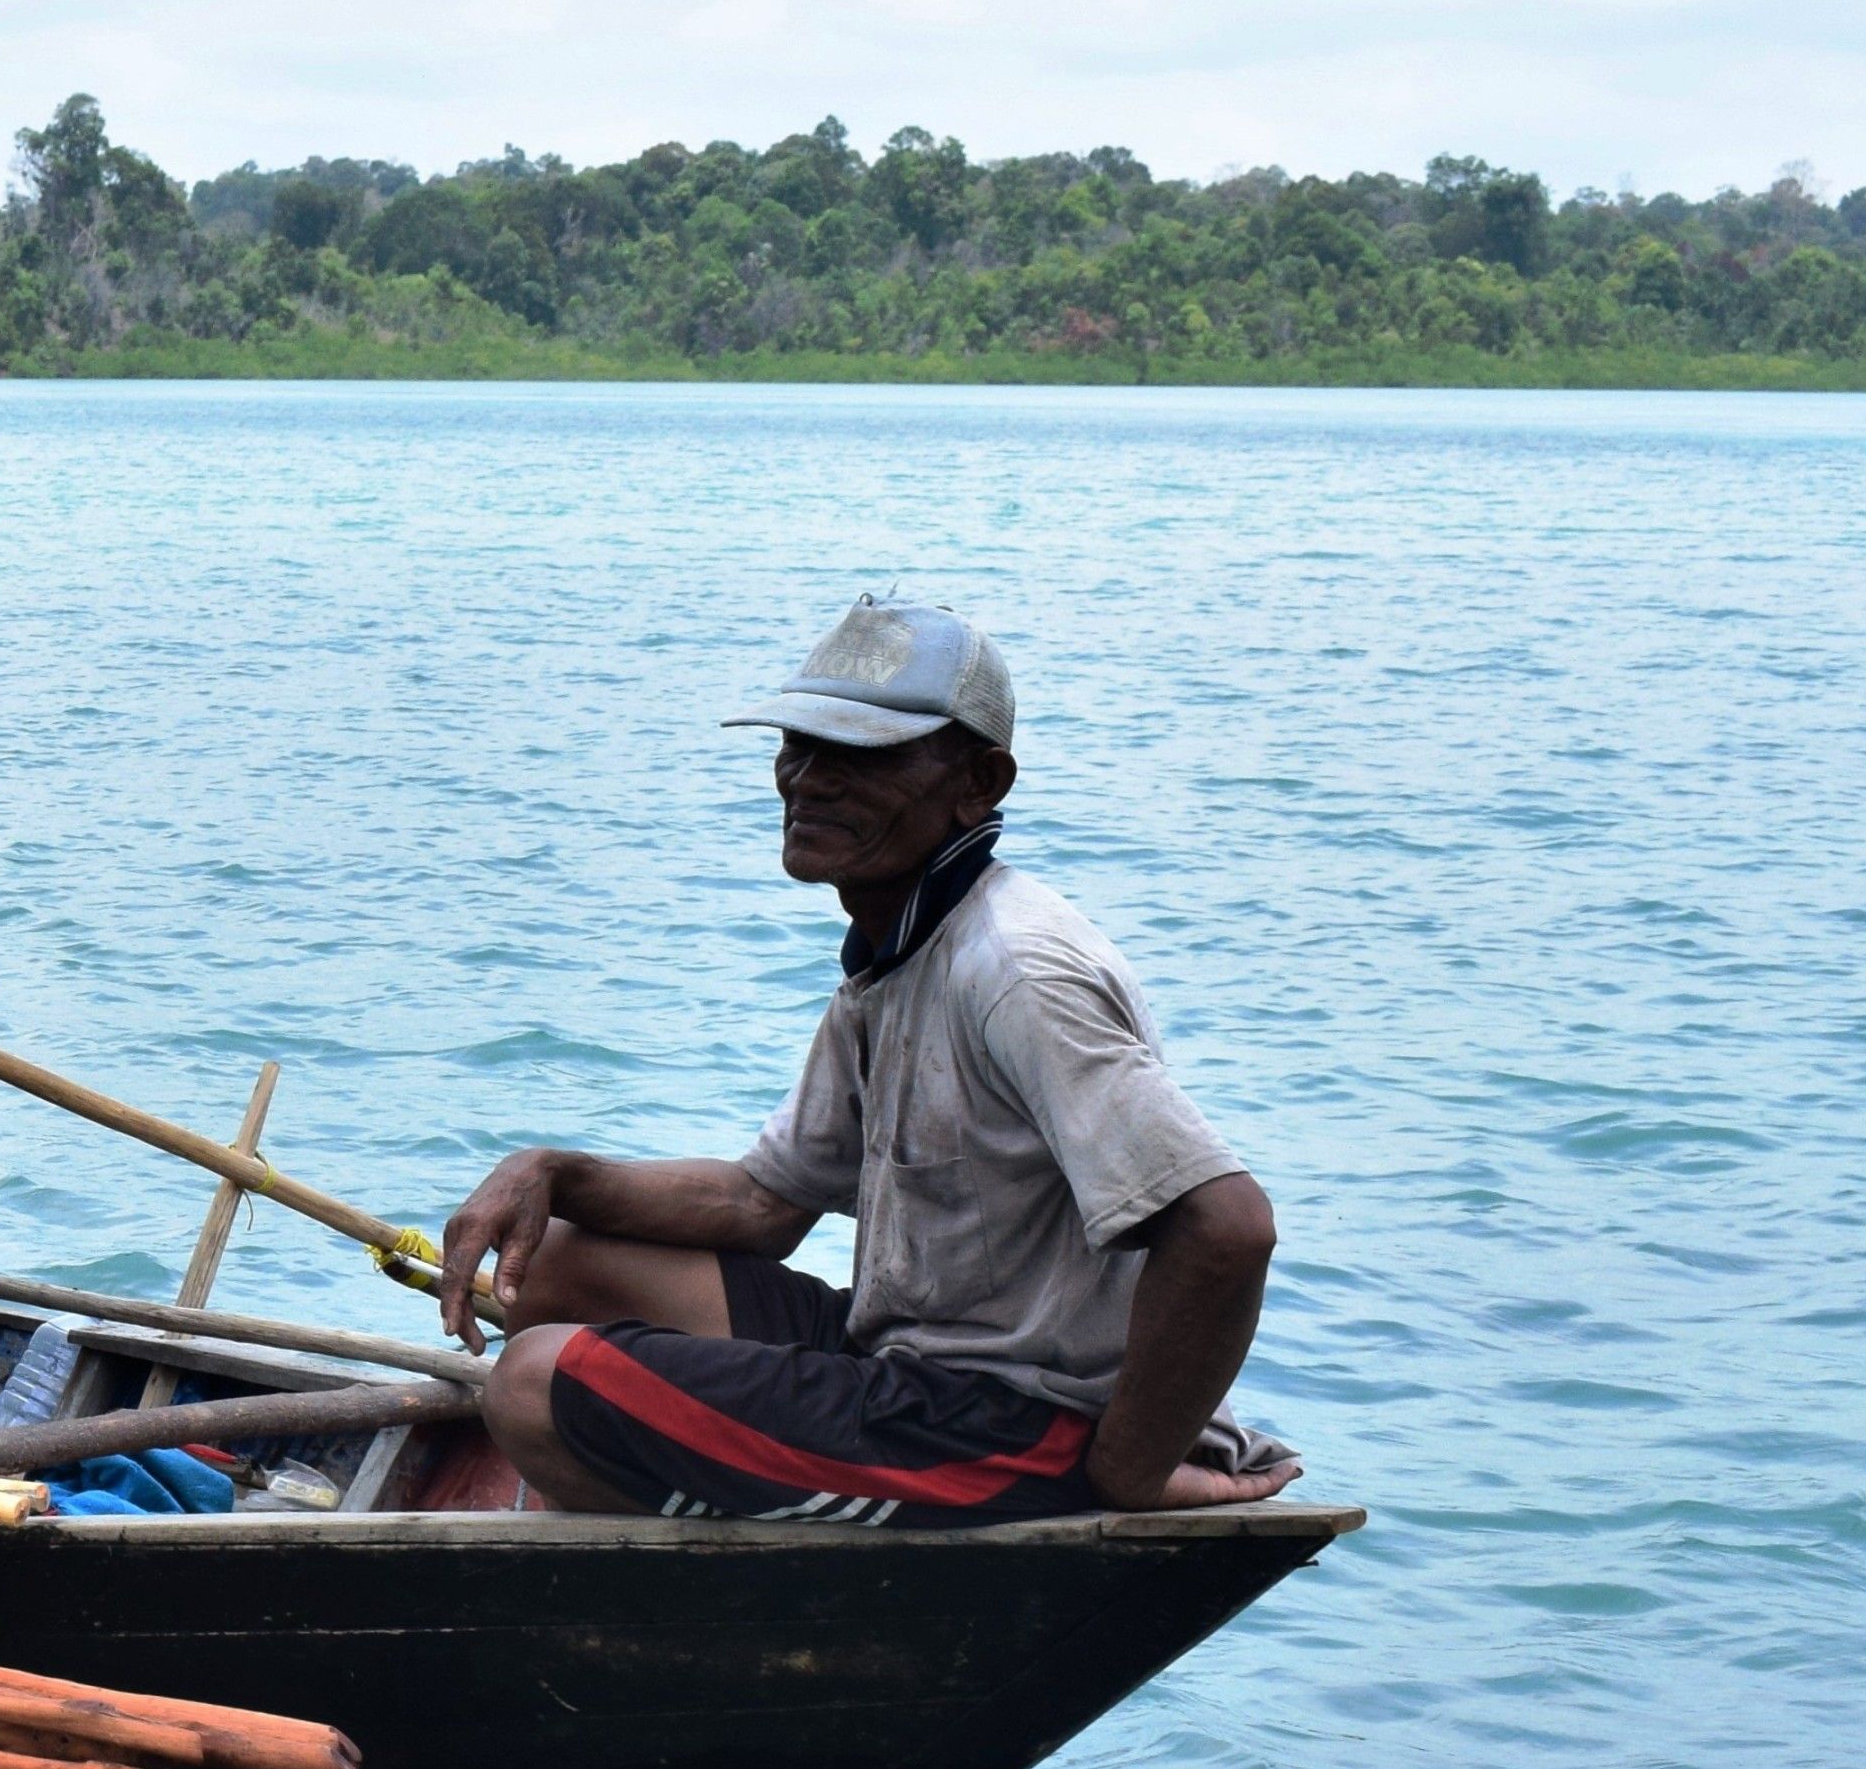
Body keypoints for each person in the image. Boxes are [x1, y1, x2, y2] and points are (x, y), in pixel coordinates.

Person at [430, 597, 1289, 1522]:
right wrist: (551, 1174)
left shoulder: (1015, 970)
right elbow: (762, 1205)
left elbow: (1227, 1229)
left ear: (979, 783)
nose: (808, 780)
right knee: (558, 1265)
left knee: (530, 1382)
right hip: (907, 1365)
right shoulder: (895, 955)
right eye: (798, 747)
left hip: (1021, 1420)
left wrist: (1129, 1470)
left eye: (861, 757)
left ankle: (668, 1589)